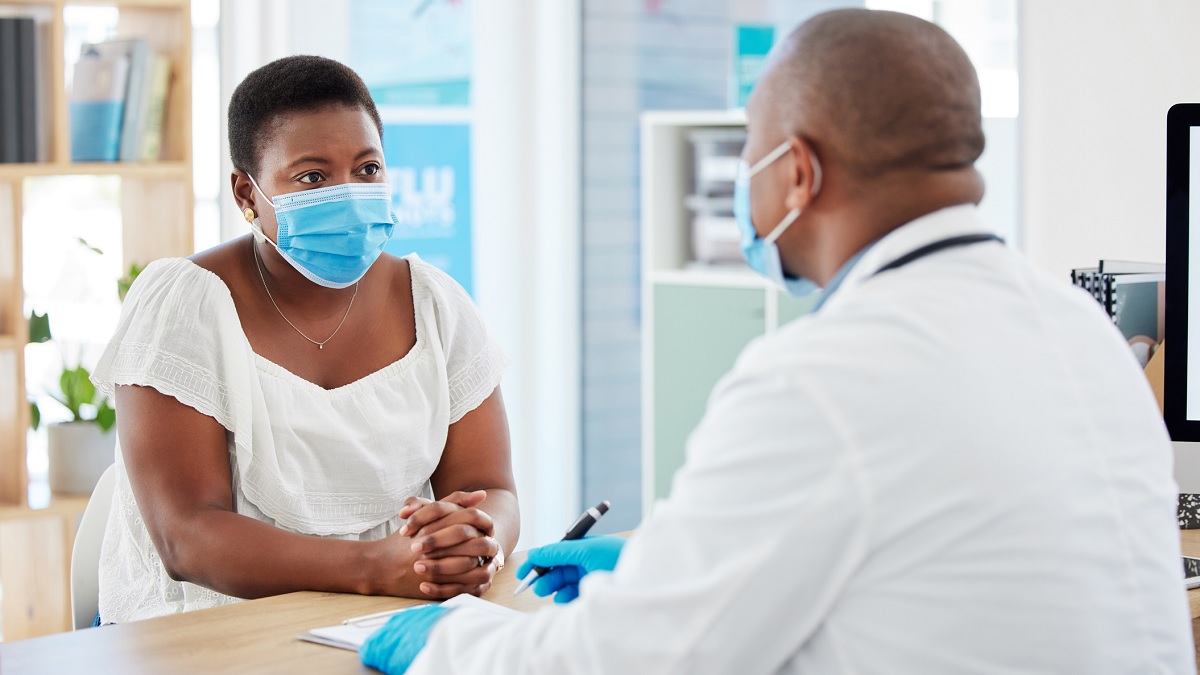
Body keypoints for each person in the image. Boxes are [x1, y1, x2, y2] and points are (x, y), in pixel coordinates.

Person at [359, 9, 1194, 674]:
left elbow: (626, 661)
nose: (741, 186)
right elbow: (943, 540)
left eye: (746, 154)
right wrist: (667, 558)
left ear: (798, 171)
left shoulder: (828, 373)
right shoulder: (1075, 324)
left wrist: (442, 643)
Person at [89, 55, 519, 624]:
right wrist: (374, 567)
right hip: (203, 628)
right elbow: (186, 537)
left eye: (367, 169)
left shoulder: (436, 304)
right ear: (247, 194)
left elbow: (491, 488)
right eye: (312, 177)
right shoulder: (182, 306)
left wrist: (477, 544)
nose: (349, 193)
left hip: (384, 617)